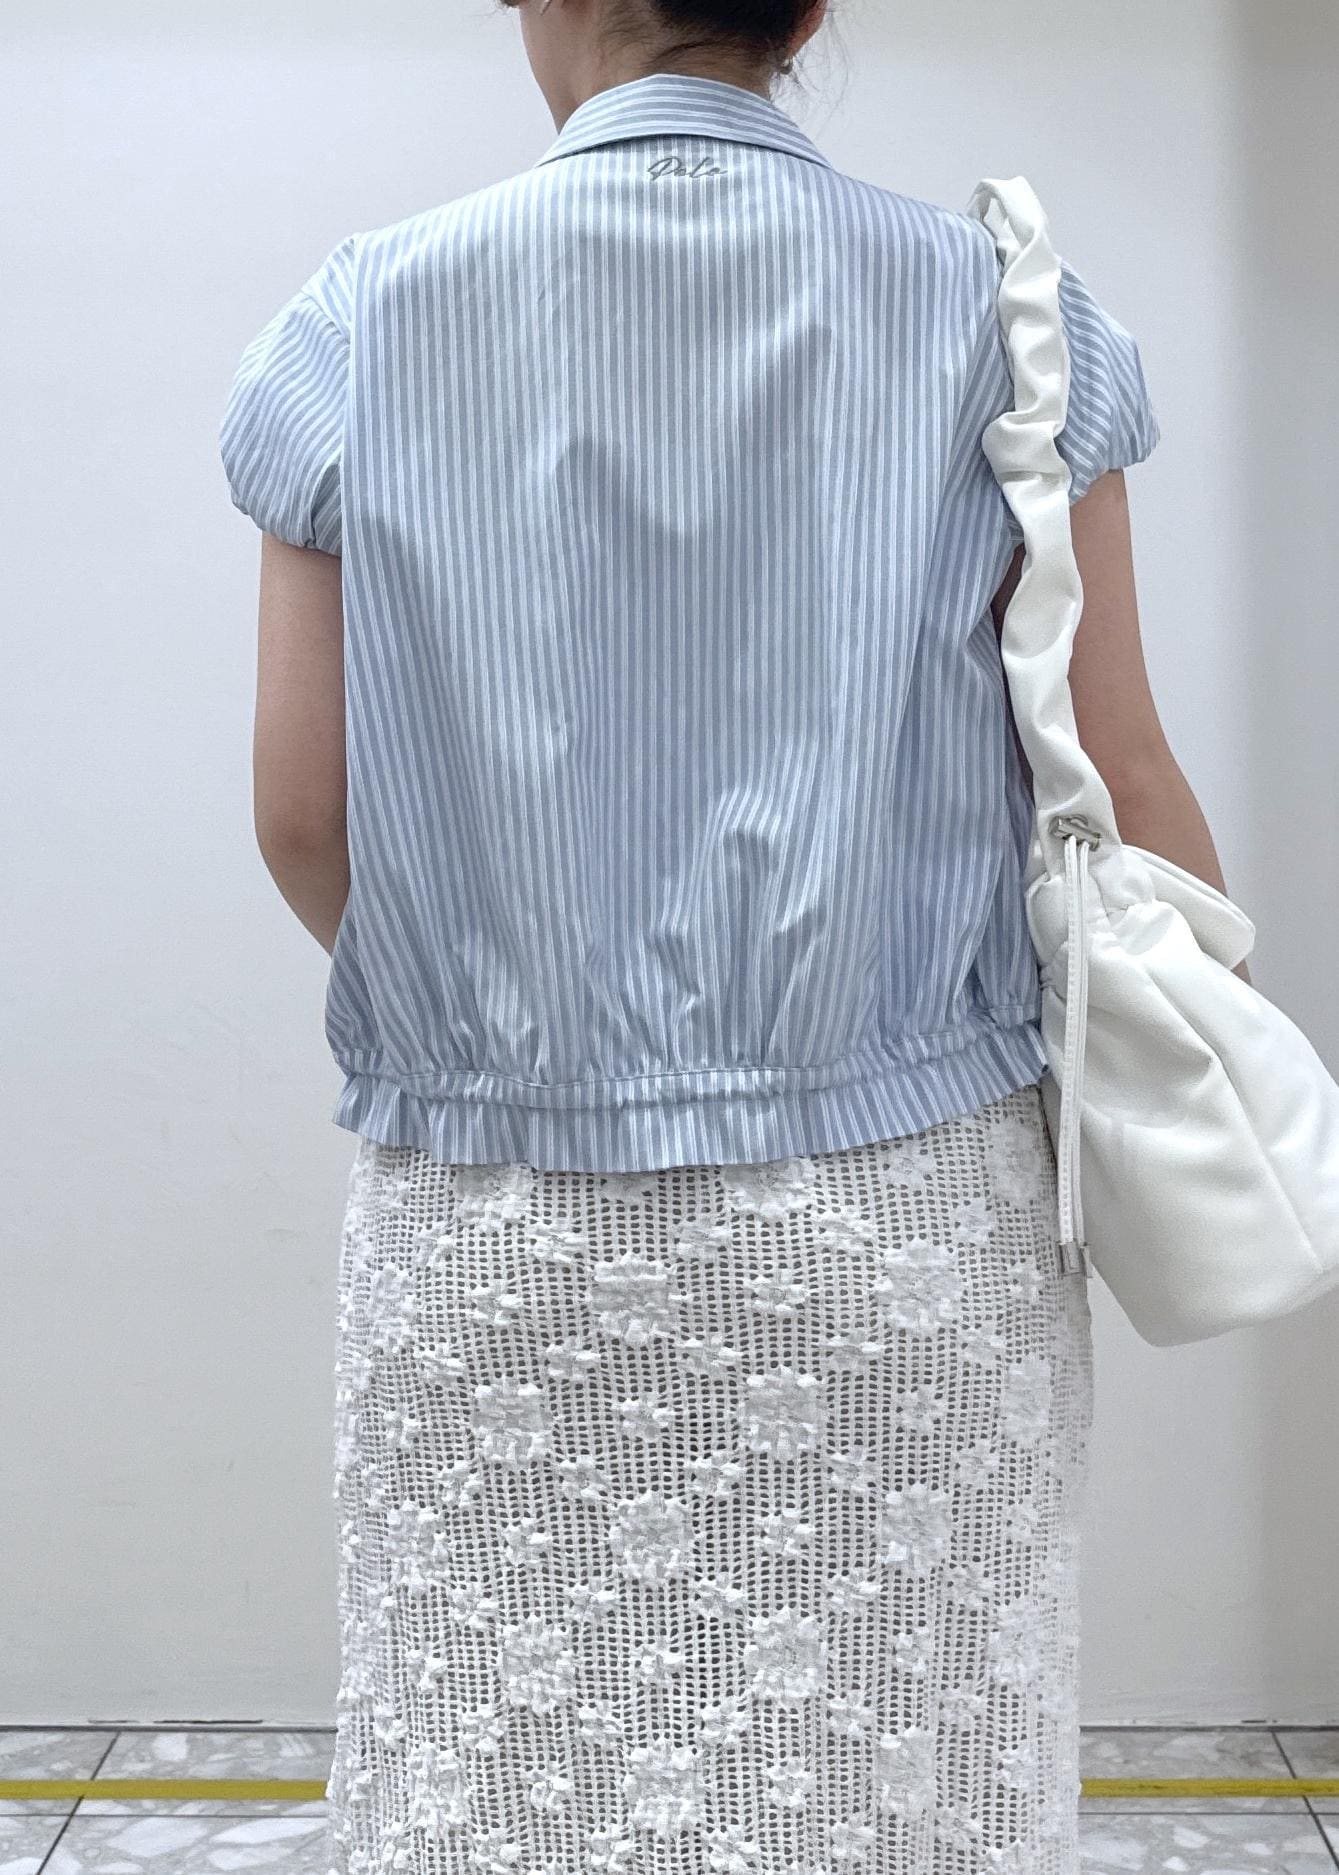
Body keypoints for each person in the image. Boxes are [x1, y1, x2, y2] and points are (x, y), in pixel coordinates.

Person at [219, 2, 1241, 1869]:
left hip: (499, 1242)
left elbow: (308, 823)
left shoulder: (364, 320)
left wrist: (520, 1011)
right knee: (896, 1798)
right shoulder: (1007, 319)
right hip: (909, 1231)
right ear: (809, 10)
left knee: (507, 1795)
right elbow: (1128, 774)